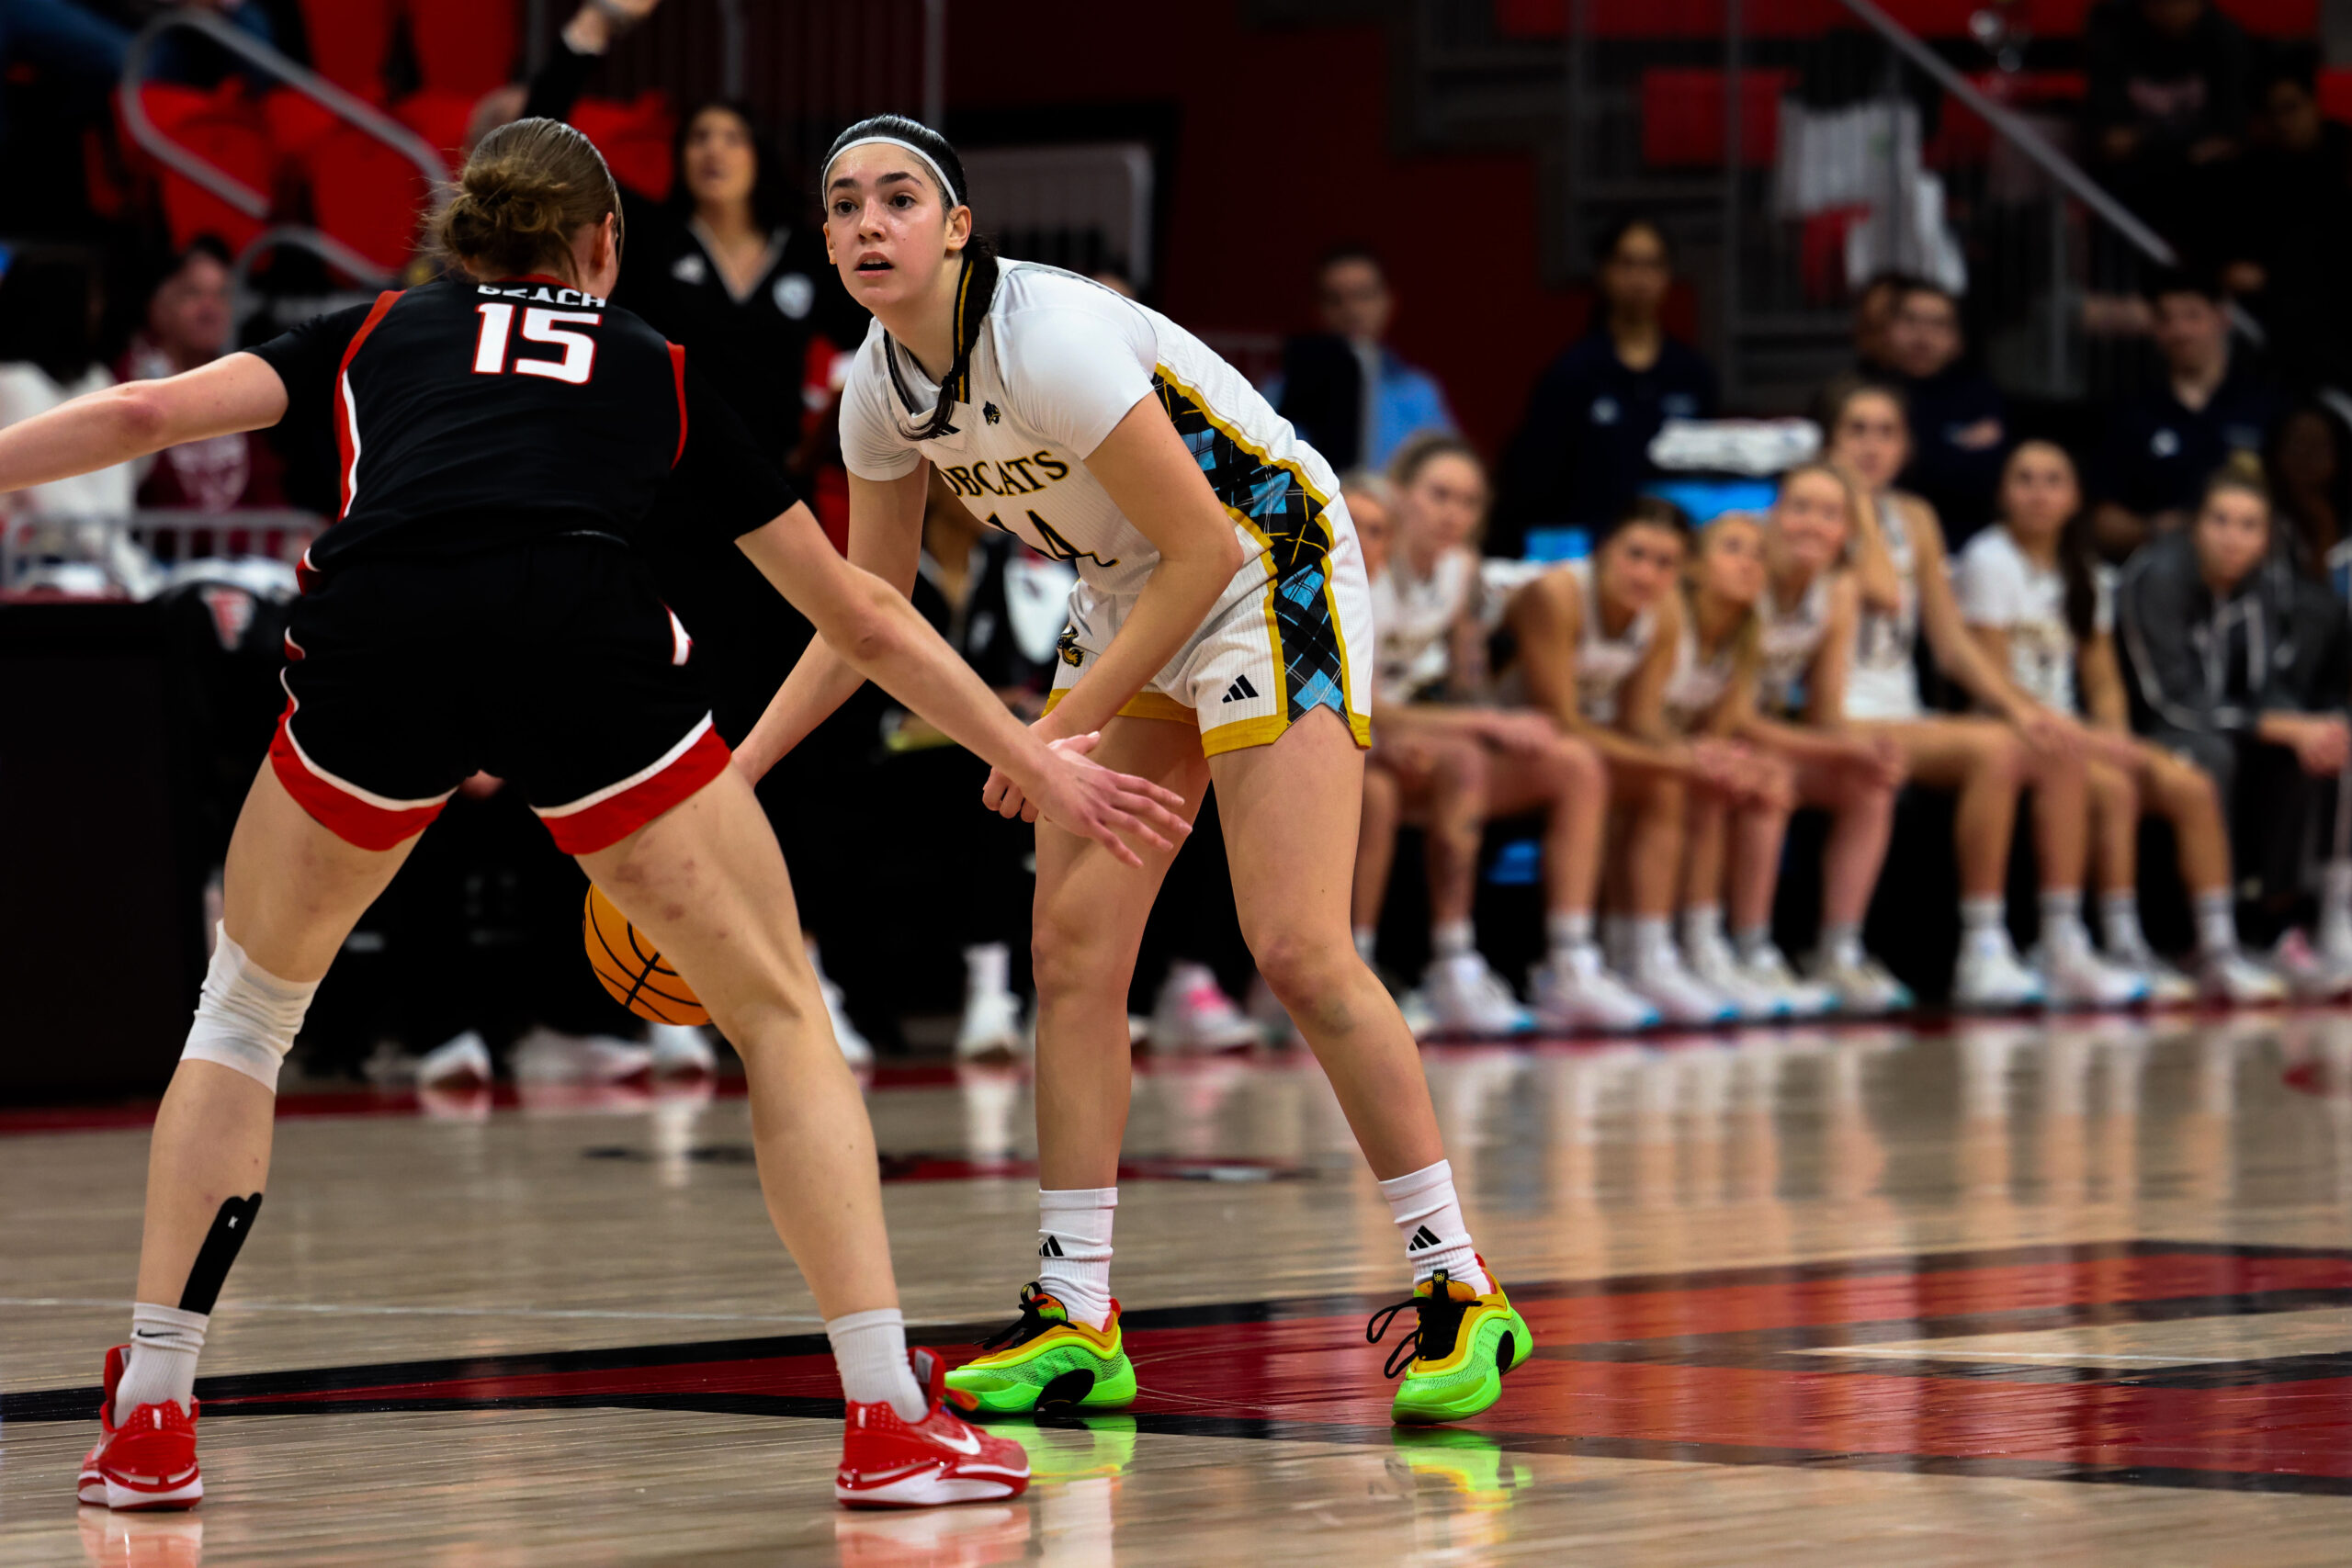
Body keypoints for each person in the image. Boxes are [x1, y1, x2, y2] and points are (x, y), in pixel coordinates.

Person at [6, 117, 1201, 1513]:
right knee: (777, 1016)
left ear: (460, 242)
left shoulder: (373, 328)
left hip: (386, 622)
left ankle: (151, 1413)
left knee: (245, 1015)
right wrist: (1036, 751)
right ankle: (884, 1413)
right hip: (578, 632)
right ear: (605, 249)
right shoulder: (657, 363)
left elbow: (144, 413)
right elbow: (860, 609)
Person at [738, 115, 1536, 1427]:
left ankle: (1462, 1290)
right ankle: (1079, 1315)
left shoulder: (1045, 336)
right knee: (1072, 948)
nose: (868, 222)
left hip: (1264, 561)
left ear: (957, 227)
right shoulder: (875, 394)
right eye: (843, 205)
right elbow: (869, 613)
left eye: (898, 197)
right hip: (1133, 591)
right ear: (825, 241)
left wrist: (1051, 733)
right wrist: (742, 767)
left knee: (1294, 944)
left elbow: (1210, 552)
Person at [525, 0, 883, 1061]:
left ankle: (808, 973)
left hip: (768, 533)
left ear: (758, 156)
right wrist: (588, 36)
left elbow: (888, 348)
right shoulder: (657, 245)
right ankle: (660, 983)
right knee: (664, 750)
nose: (712, 151)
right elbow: (545, 151)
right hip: (664, 530)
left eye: (729, 136)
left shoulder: (806, 262)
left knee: (805, 759)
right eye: (696, 139)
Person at [1821, 378, 2148, 1009]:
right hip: (1840, 713)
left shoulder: (1914, 516)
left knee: (2050, 743)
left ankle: (2058, 938)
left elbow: (1950, 644)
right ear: (1830, 443)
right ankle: (1981, 943)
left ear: (1907, 445)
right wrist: (1854, 499)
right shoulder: (1818, 509)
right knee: (1998, 751)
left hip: (1902, 711)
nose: (1872, 445)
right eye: (1856, 430)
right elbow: (1884, 589)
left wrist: (2022, 706)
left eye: (1886, 431)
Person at [1956, 442, 2284, 1002]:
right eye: (2025, 479)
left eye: (2053, 479)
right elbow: (1992, 682)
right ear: (2002, 493)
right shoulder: (1990, 558)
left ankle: (2216, 946)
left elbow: (2103, 680)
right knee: (2112, 787)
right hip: (2013, 728)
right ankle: (2098, 940)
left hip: (2071, 732)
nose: (2039, 493)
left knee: (2191, 786)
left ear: (2075, 496)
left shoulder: (2082, 566)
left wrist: (2111, 736)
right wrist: (2097, 746)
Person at [1354, 438, 1657, 1035]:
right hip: (1363, 737)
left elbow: (1463, 686)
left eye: (1468, 501)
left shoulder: (1462, 569)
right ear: (1401, 494)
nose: (1452, 513)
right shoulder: (1362, 559)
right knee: (1466, 757)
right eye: (1439, 494)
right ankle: (1446, 958)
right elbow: (1366, 705)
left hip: (1423, 739)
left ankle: (1569, 960)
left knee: (1572, 762)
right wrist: (1484, 724)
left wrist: (1487, 721)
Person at [1499, 500, 1775, 1026]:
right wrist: (1679, 761)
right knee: (1618, 770)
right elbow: (1560, 718)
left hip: (1578, 749)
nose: (1647, 573)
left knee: (1669, 783)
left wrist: (1697, 756)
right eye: (1636, 555)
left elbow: (1640, 721)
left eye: (1665, 563)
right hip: (1509, 741)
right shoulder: (1556, 595)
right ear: (1603, 551)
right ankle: (1567, 962)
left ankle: (1650, 955)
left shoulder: (1662, 613)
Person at [2117, 464, 2352, 987]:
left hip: (2226, 724)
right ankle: (2205, 939)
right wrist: (2274, 724)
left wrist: (2310, 728)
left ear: (2266, 536)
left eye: (2249, 525)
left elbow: (2266, 683)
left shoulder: (2263, 582)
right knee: (2214, 753)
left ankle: (2298, 926)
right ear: (2194, 526)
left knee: (2321, 744)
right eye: (2220, 521)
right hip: (2152, 731)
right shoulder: (2155, 577)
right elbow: (2168, 703)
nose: (2233, 537)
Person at [1743, 463, 1913, 1011]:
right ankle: (1750, 952)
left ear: (1846, 533)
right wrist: (1841, 746)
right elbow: (1729, 719)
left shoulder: (1837, 590)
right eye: (1799, 509)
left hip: (1766, 732)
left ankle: (1838, 951)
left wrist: (1863, 749)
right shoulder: (1746, 577)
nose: (1813, 525)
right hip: (1712, 729)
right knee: (1767, 779)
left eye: (1829, 514)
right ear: (1773, 518)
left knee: (1869, 781)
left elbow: (1824, 711)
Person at [1661, 512, 1838, 1019]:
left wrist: (1725, 757)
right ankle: (1663, 951)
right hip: (1619, 749)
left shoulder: (1743, 628)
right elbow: (1638, 719)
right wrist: (1703, 756)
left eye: (1759, 554)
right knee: (1703, 783)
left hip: (1668, 752)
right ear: (1693, 565)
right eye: (1732, 548)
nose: (1749, 563)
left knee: (1752, 781)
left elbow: (1722, 725)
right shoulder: (1671, 618)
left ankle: (1738, 947)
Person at [1494, 217, 1718, 554]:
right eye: (1627, 264)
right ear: (1605, 272)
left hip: (1671, 551)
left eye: (1652, 265)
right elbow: (1535, 480)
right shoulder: (1572, 373)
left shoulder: (1693, 374)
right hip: (1588, 550)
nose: (1640, 278)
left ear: (1667, 275)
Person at [2091, 271, 2284, 561]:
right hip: (2159, 574)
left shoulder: (2268, 405)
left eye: (2193, 316)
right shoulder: (2132, 412)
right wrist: (2155, 528)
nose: (2180, 330)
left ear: (2222, 318)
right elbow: (2102, 520)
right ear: (2154, 329)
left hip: (2257, 572)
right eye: (2166, 319)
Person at [2217, 47, 2352, 391]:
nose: (2282, 122)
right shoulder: (2255, 171)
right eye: (2270, 113)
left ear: (2314, 103)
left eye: (2291, 107)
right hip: (2286, 317)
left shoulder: (2344, 154)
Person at [118, 237, 285, 514]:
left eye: (221, 295)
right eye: (193, 294)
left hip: (240, 551)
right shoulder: (131, 379)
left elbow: (265, 486)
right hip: (161, 553)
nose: (210, 309)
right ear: (158, 308)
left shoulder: (241, 378)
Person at [1268, 243, 1455, 474]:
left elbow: (1446, 467)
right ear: (1317, 309)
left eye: (1363, 296)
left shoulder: (1418, 391)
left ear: (1388, 301)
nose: (1351, 310)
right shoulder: (1280, 389)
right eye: (1336, 299)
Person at [2083, 0, 2252, 245]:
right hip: (2130, 193)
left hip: (2205, 195)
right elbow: (2109, 140)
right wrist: (2186, 144)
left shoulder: (2226, 39)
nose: (2171, 9)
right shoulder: (2114, 33)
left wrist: (2144, 141)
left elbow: (2229, 138)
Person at [1881, 280, 2006, 546]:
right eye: (1911, 320)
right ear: (1889, 330)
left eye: (1937, 324)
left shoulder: (1980, 395)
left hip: (1968, 544)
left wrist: (1916, 455)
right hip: (1885, 540)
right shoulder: (1867, 391)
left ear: (1957, 339)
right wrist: (1952, 450)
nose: (1922, 334)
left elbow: (1989, 479)